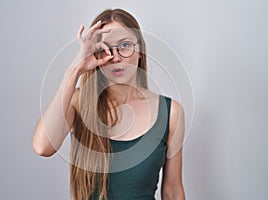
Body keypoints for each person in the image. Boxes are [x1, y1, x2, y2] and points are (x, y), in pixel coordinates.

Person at [33, 8, 185, 200]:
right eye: (104, 48)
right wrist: (75, 69)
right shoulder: (78, 102)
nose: (116, 57)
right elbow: (42, 147)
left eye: (125, 45)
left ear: (140, 52)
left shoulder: (171, 113)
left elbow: (172, 192)